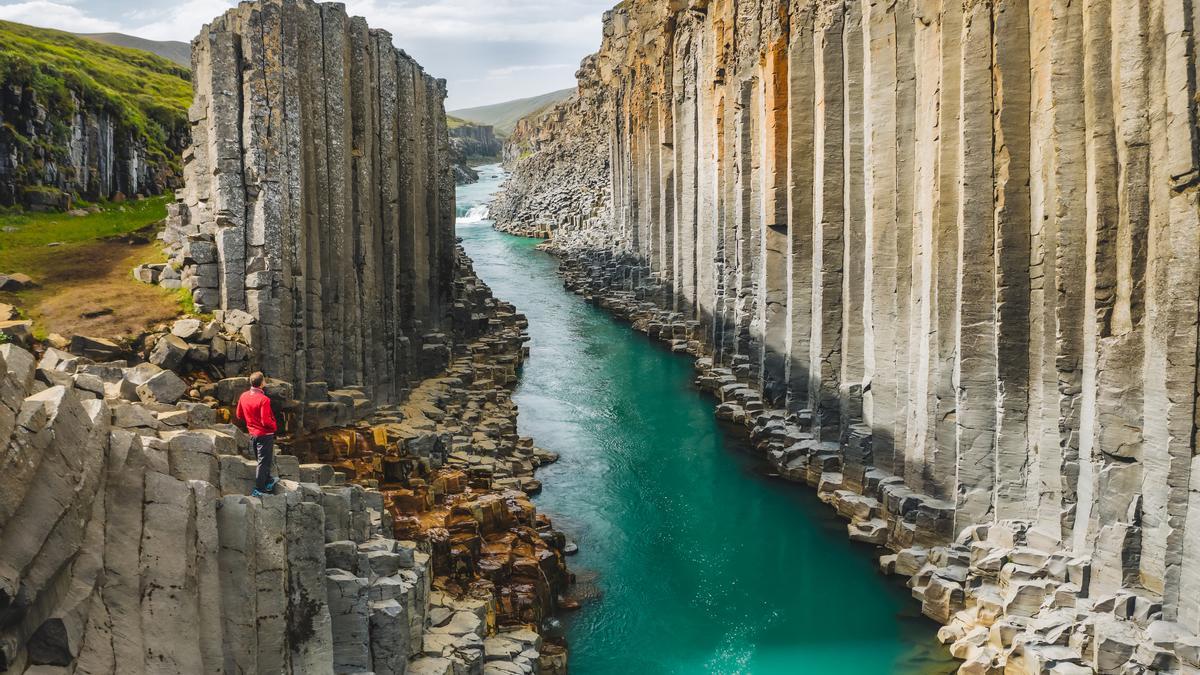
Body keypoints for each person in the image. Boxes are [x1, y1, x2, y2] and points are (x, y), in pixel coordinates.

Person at [235, 371, 278, 496]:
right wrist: (274, 426)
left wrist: (251, 422)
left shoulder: (243, 396)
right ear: (261, 383)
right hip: (265, 434)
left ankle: (269, 480)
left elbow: (239, 415)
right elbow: (266, 421)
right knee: (264, 462)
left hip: (253, 433)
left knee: (262, 460)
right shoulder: (264, 399)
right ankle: (259, 490)